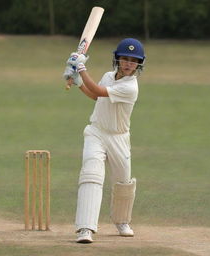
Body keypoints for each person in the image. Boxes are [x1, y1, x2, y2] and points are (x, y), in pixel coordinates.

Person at [63, 38, 145, 243]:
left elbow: (100, 92)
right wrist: (79, 81)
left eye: (133, 61)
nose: (128, 63)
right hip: (96, 132)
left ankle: (122, 221)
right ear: (117, 59)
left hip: (119, 138)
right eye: (124, 58)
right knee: (91, 175)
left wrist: (80, 67)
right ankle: (85, 228)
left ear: (139, 64)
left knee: (123, 183)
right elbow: (95, 96)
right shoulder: (108, 76)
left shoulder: (131, 87)